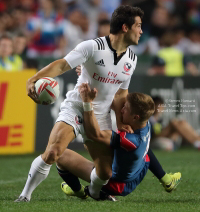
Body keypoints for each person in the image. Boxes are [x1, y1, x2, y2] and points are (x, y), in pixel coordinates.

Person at [15, 5, 145, 202]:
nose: (141, 31)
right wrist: (32, 79)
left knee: (105, 174)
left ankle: (88, 188)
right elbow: (62, 64)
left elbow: (121, 95)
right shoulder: (92, 46)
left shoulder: (132, 59)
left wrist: (120, 124)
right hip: (76, 106)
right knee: (52, 151)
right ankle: (25, 196)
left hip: (100, 116)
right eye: (138, 26)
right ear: (125, 27)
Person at [56, 84, 181, 200]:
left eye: (125, 108)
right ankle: (166, 180)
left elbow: (94, 134)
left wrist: (87, 102)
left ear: (135, 117)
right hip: (138, 172)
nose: (121, 109)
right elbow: (146, 151)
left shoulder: (129, 140)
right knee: (145, 153)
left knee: (60, 154)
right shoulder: (144, 123)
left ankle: (82, 191)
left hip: (116, 183)